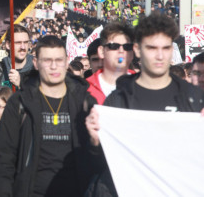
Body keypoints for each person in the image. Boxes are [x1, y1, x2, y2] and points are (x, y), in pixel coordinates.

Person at [86, 13, 204, 196]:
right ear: (137, 50)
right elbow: (102, 163)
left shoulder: (193, 97)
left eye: (166, 48)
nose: (159, 56)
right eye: (151, 48)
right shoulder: (118, 100)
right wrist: (94, 141)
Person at [0, 35, 98, 196]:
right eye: (47, 60)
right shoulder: (19, 103)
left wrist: (96, 144)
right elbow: (2, 160)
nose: (54, 66)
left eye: (59, 60)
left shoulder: (85, 102)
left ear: (67, 62)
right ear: (35, 63)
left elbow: (97, 158)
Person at [87, 23, 135, 104]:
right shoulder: (84, 88)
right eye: (114, 46)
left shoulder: (144, 86)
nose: (121, 51)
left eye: (127, 47)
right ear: (101, 51)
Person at [0, 24, 35, 96]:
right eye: (18, 43)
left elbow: (43, 103)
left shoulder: (38, 70)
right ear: (8, 45)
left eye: (26, 42)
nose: (23, 47)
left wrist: (21, 84)